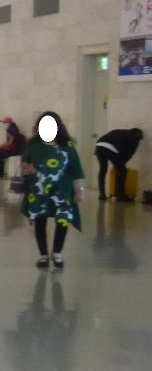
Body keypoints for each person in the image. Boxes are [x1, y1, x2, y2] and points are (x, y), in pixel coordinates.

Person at [21, 112, 84, 269]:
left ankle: (56, 252)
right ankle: (43, 255)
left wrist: (79, 190)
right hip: (39, 190)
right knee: (40, 220)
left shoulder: (67, 146)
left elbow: (76, 169)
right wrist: (28, 168)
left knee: (63, 220)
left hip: (62, 190)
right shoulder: (33, 145)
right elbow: (24, 163)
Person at [94, 127, 143, 201]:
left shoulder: (122, 132)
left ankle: (102, 194)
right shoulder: (134, 137)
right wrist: (120, 164)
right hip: (110, 147)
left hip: (99, 145)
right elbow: (130, 153)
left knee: (103, 169)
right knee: (122, 170)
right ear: (138, 135)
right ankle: (120, 195)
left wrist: (117, 164)